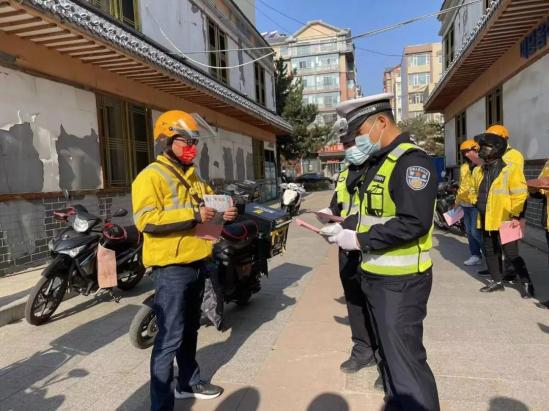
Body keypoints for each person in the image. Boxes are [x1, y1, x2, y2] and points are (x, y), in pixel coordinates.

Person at [326, 93, 439, 410]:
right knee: (390, 362)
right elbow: (369, 213)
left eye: (359, 133)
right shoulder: (378, 162)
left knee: (406, 366)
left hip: (402, 282)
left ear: (380, 122)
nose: (356, 142)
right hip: (375, 274)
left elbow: (414, 222)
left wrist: (360, 240)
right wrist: (344, 229)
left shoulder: (411, 162)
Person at [132, 110, 238, 411]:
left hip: (198, 262)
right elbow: (146, 220)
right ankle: (161, 405)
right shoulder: (150, 176)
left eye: (194, 142)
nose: (192, 147)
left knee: (190, 329)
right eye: (185, 141)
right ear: (166, 140)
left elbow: (210, 210)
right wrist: (193, 214)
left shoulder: (194, 178)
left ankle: (188, 383)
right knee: (169, 337)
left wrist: (227, 212)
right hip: (172, 268)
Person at [316, 118, 377, 377]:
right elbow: (338, 205)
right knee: (353, 299)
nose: (349, 148)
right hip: (346, 247)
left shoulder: (380, 168)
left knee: (379, 306)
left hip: (374, 246)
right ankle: (362, 349)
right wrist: (328, 213)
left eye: (352, 142)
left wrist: (352, 229)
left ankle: (384, 357)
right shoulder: (344, 172)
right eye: (345, 144)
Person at [472, 132, 533, 297]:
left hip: (506, 219)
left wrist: (516, 216)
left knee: (511, 253)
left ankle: (526, 283)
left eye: (486, 147)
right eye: (481, 147)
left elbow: (520, 194)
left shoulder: (510, 170)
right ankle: (497, 282)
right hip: (485, 218)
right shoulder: (478, 171)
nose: (482, 150)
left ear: (497, 149)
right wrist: (474, 200)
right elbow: (473, 190)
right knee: (490, 251)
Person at [456, 140, 483, 266]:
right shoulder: (464, 167)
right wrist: (457, 202)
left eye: (468, 151)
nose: (466, 154)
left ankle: (491, 254)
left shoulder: (481, 166)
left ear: (476, 150)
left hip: (475, 204)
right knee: (469, 232)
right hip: (464, 204)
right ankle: (475, 255)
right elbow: (461, 186)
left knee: (475, 231)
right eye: (464, 152)